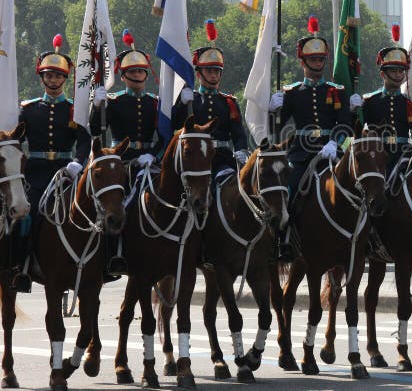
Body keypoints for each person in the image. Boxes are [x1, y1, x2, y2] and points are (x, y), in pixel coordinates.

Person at [268, 16, 351, 261]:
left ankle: (361, 235)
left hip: (331, 153)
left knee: (358, 188)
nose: (317, 63)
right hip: (301, 154)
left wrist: (335, 142)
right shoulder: (292, 93)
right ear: (302, 62)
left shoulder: (337, 91)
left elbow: (345, 123)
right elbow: (277, 130)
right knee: (287, 192)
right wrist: (275, 110)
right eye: (313, 59)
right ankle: (282, 239)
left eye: (320, 58)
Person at [12, 35, 90, 293]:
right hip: (35, 175)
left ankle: (96, 264)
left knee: (90, 212)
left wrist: (78, 163)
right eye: (49, 76)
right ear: (42, 78)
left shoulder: (73, 110)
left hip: (66, 174)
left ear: (65, 79)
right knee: (27, 217)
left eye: (58, 76)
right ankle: (22, 266)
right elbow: (15, 140)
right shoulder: (28, 109)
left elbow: (83, 140)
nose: (53, 80)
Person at [90, 29, 162, 276]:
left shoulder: (155, 103)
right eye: (132, 72)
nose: (138, 75)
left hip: (149, 161)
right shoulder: (115, 101)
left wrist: (152, 153)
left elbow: (164, 135)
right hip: (121, 163)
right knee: (117, 206)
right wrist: (98, 105)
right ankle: (115, 253)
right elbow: (95, 129)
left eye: (141, 71)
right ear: (123, 77)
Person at [172, 20, 248, 180]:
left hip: (222, 158)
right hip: (194, 158)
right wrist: (180, 104)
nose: (214, 75)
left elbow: (238, 133)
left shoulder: (228, 102)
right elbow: (175, 126)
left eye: (217, 71)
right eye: (209, 71)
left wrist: (241, 149)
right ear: (198, 74)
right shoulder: (191, 100)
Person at [357, 31, 412, 183]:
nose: (397, 75)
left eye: (401, 71)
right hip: (377, 156)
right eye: (393, 71)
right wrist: (352, 111)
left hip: (404, 156)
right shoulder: (369, 101)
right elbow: (355, 128)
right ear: (383, 74)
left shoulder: (410, 103)